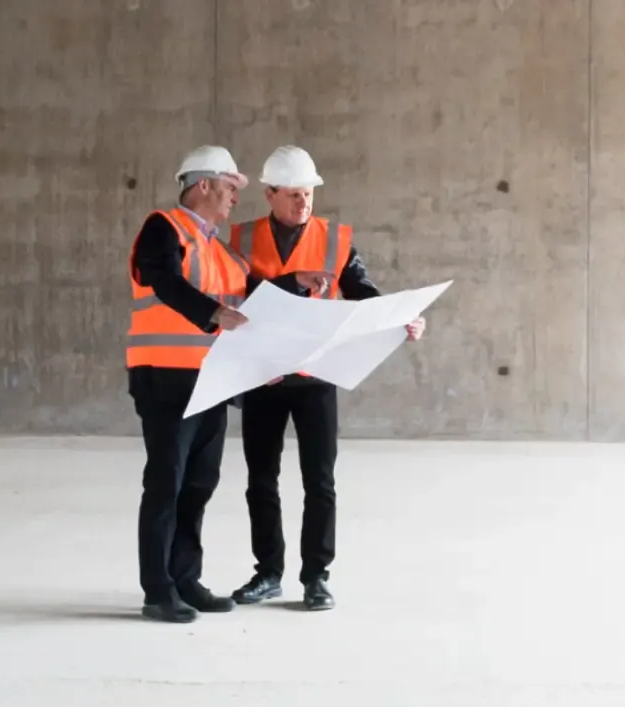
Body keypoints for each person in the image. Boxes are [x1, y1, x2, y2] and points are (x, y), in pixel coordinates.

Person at [224, 146, 420, 612]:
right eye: (293, 194)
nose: (303, 202)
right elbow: (234, 296)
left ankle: (316, 577)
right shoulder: (240, 240)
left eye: (308, 193)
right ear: (270, 194)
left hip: (316, 375)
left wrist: (400, 320)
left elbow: (363, 295)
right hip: (264, 376)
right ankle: (267, 573)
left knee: (320, 481)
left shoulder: (336, 240)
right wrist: (293, 280)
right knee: (261, 480)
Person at [125, 145, 256, 624]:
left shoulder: (220, 250)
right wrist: (212, 312)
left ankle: (185, 580)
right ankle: (158, 591)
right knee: (167, 482)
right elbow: (161, 278)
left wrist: (301, 289)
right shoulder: (163, 227)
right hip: (166, 377)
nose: (235, 197)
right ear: (203, 185)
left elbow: (249, 301)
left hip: (212, 380)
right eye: (230, 187)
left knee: (199, 484)